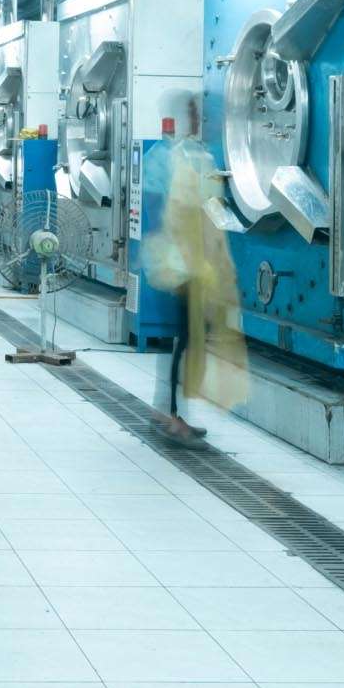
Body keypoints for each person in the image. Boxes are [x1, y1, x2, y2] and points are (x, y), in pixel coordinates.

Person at [138, 89, 248, 447]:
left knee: (180, 340)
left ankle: (166, 411)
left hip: (176, 264)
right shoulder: (181, 157)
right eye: (193, 111)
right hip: (182, 268)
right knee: (183, 340)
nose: (200, 117)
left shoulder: (178, 154)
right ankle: (172, 417)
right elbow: (182, 214)